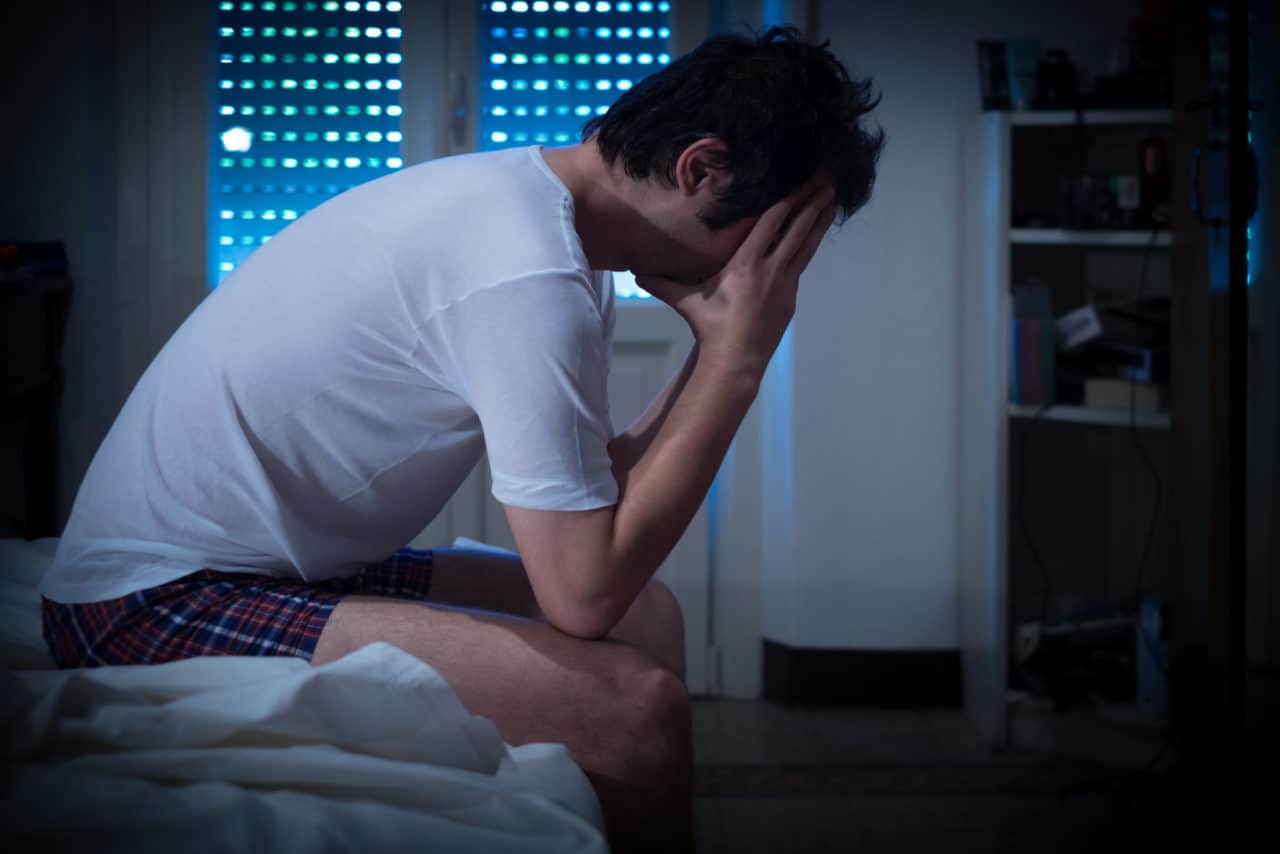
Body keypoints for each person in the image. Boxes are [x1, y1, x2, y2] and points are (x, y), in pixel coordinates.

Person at [39, 24, 883, 853]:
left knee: (651, 615)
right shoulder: (526, 270)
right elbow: (581, 593)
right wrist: (742, 357)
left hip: (283, 563)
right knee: (635, 708)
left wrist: (719, 349)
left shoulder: (543, 219)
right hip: (152, 600)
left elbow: (599, 493)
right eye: (776, 241)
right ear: (702, 169)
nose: (766, 273)